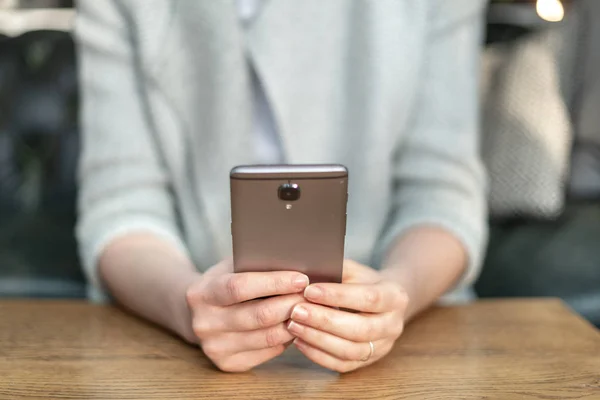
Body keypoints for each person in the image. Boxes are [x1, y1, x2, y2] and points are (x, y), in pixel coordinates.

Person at [75, 0, 487, 373]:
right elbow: (121, 204)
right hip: (182, 337)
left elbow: (442, 193)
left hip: (403, 346)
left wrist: (399, 292)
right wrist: (187, 304)